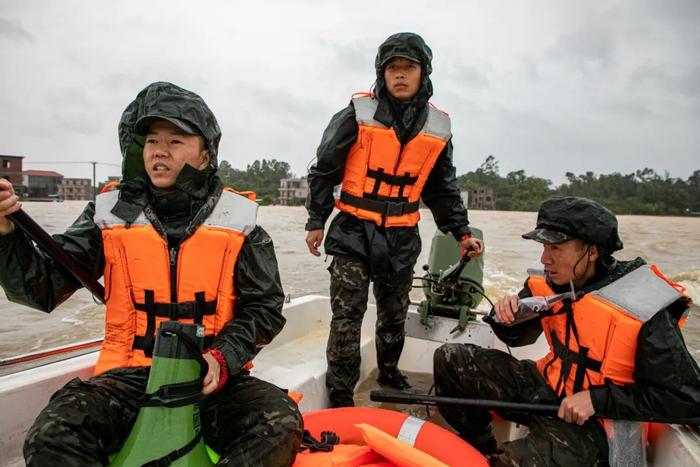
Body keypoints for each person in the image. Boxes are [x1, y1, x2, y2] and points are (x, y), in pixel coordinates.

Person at [0, 81, 303, 466]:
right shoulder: (108, 216)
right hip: (127, 378)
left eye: (176, 141)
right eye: (151, 141)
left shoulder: (240, 224)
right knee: (53, 433)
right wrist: (7, 235)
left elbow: (264, 309)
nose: (160, 151)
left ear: (206, 155)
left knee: (279, 422)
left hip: (210, 379)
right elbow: (39, 289)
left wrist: (223, 358)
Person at [433, 196, 700, 466]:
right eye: (544, 246)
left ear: (592, 251)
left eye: (556, 248)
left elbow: (686, 398)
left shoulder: (645, 304)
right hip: (548, 387)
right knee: (450, 359)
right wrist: (506, 317)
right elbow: (519, 337)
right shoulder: (550, 279)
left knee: (511, 462)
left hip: (598, 425)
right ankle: (481, 448)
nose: (545, 259)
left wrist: (597, 400)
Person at [304, 32, 484, 408]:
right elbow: (324, 169)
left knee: (393, 313)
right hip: (353, 230)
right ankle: (340, 393)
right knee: (348, 315)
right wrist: (316, 220)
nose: (400, 75)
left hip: (402, 235)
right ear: (381, 74)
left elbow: (443, 188)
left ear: (424, 73)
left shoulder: (438, 127)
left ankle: (389, 373)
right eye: (393, 68)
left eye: (409, 68)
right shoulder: (357, 114)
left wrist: (461, 231)